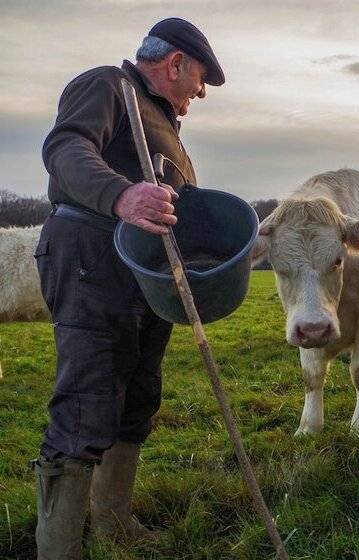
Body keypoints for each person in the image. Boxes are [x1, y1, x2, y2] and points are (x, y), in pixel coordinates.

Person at [31, 17, 224, 559]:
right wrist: (120, 196)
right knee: (87, 400)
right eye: (200, 79)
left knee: (137, 395)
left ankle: (113, 523)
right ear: (175, 64)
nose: (200, 93)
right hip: (92, 257)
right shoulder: (107, 87)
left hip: (145, 272)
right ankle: (58, 548)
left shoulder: (163, 125)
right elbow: (67, 149)